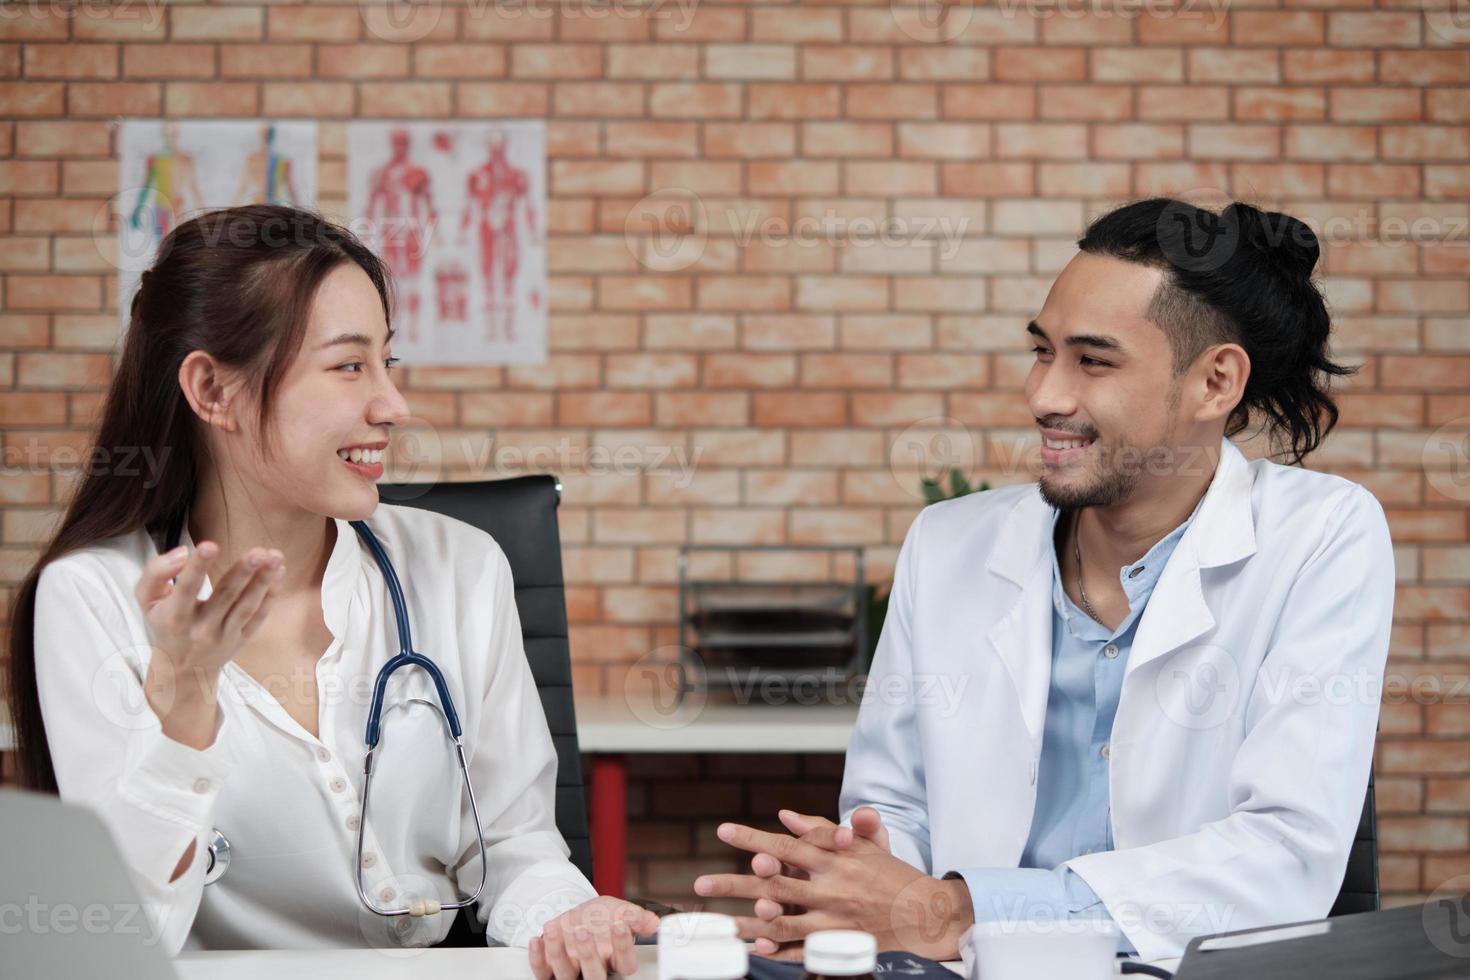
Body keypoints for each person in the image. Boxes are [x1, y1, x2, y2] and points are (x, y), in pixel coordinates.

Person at [692, 199, 1397, 963]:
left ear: (1215, 383)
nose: (1044, 397)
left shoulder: (1321, 535)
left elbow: (1284, 857)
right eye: (1042, 351)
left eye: (1093, 361)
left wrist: (956, 908)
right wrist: (859, 894)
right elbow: (893, 801)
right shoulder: (948, 544)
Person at [6, 204, 653, 977]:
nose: (392, 405)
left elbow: (517, 851)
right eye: (350, 366)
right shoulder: (92, 601)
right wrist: (181, 709)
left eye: (389, 362)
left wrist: (567, 918)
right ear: (213, 389)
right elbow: (109, 935)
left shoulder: (462, 566)